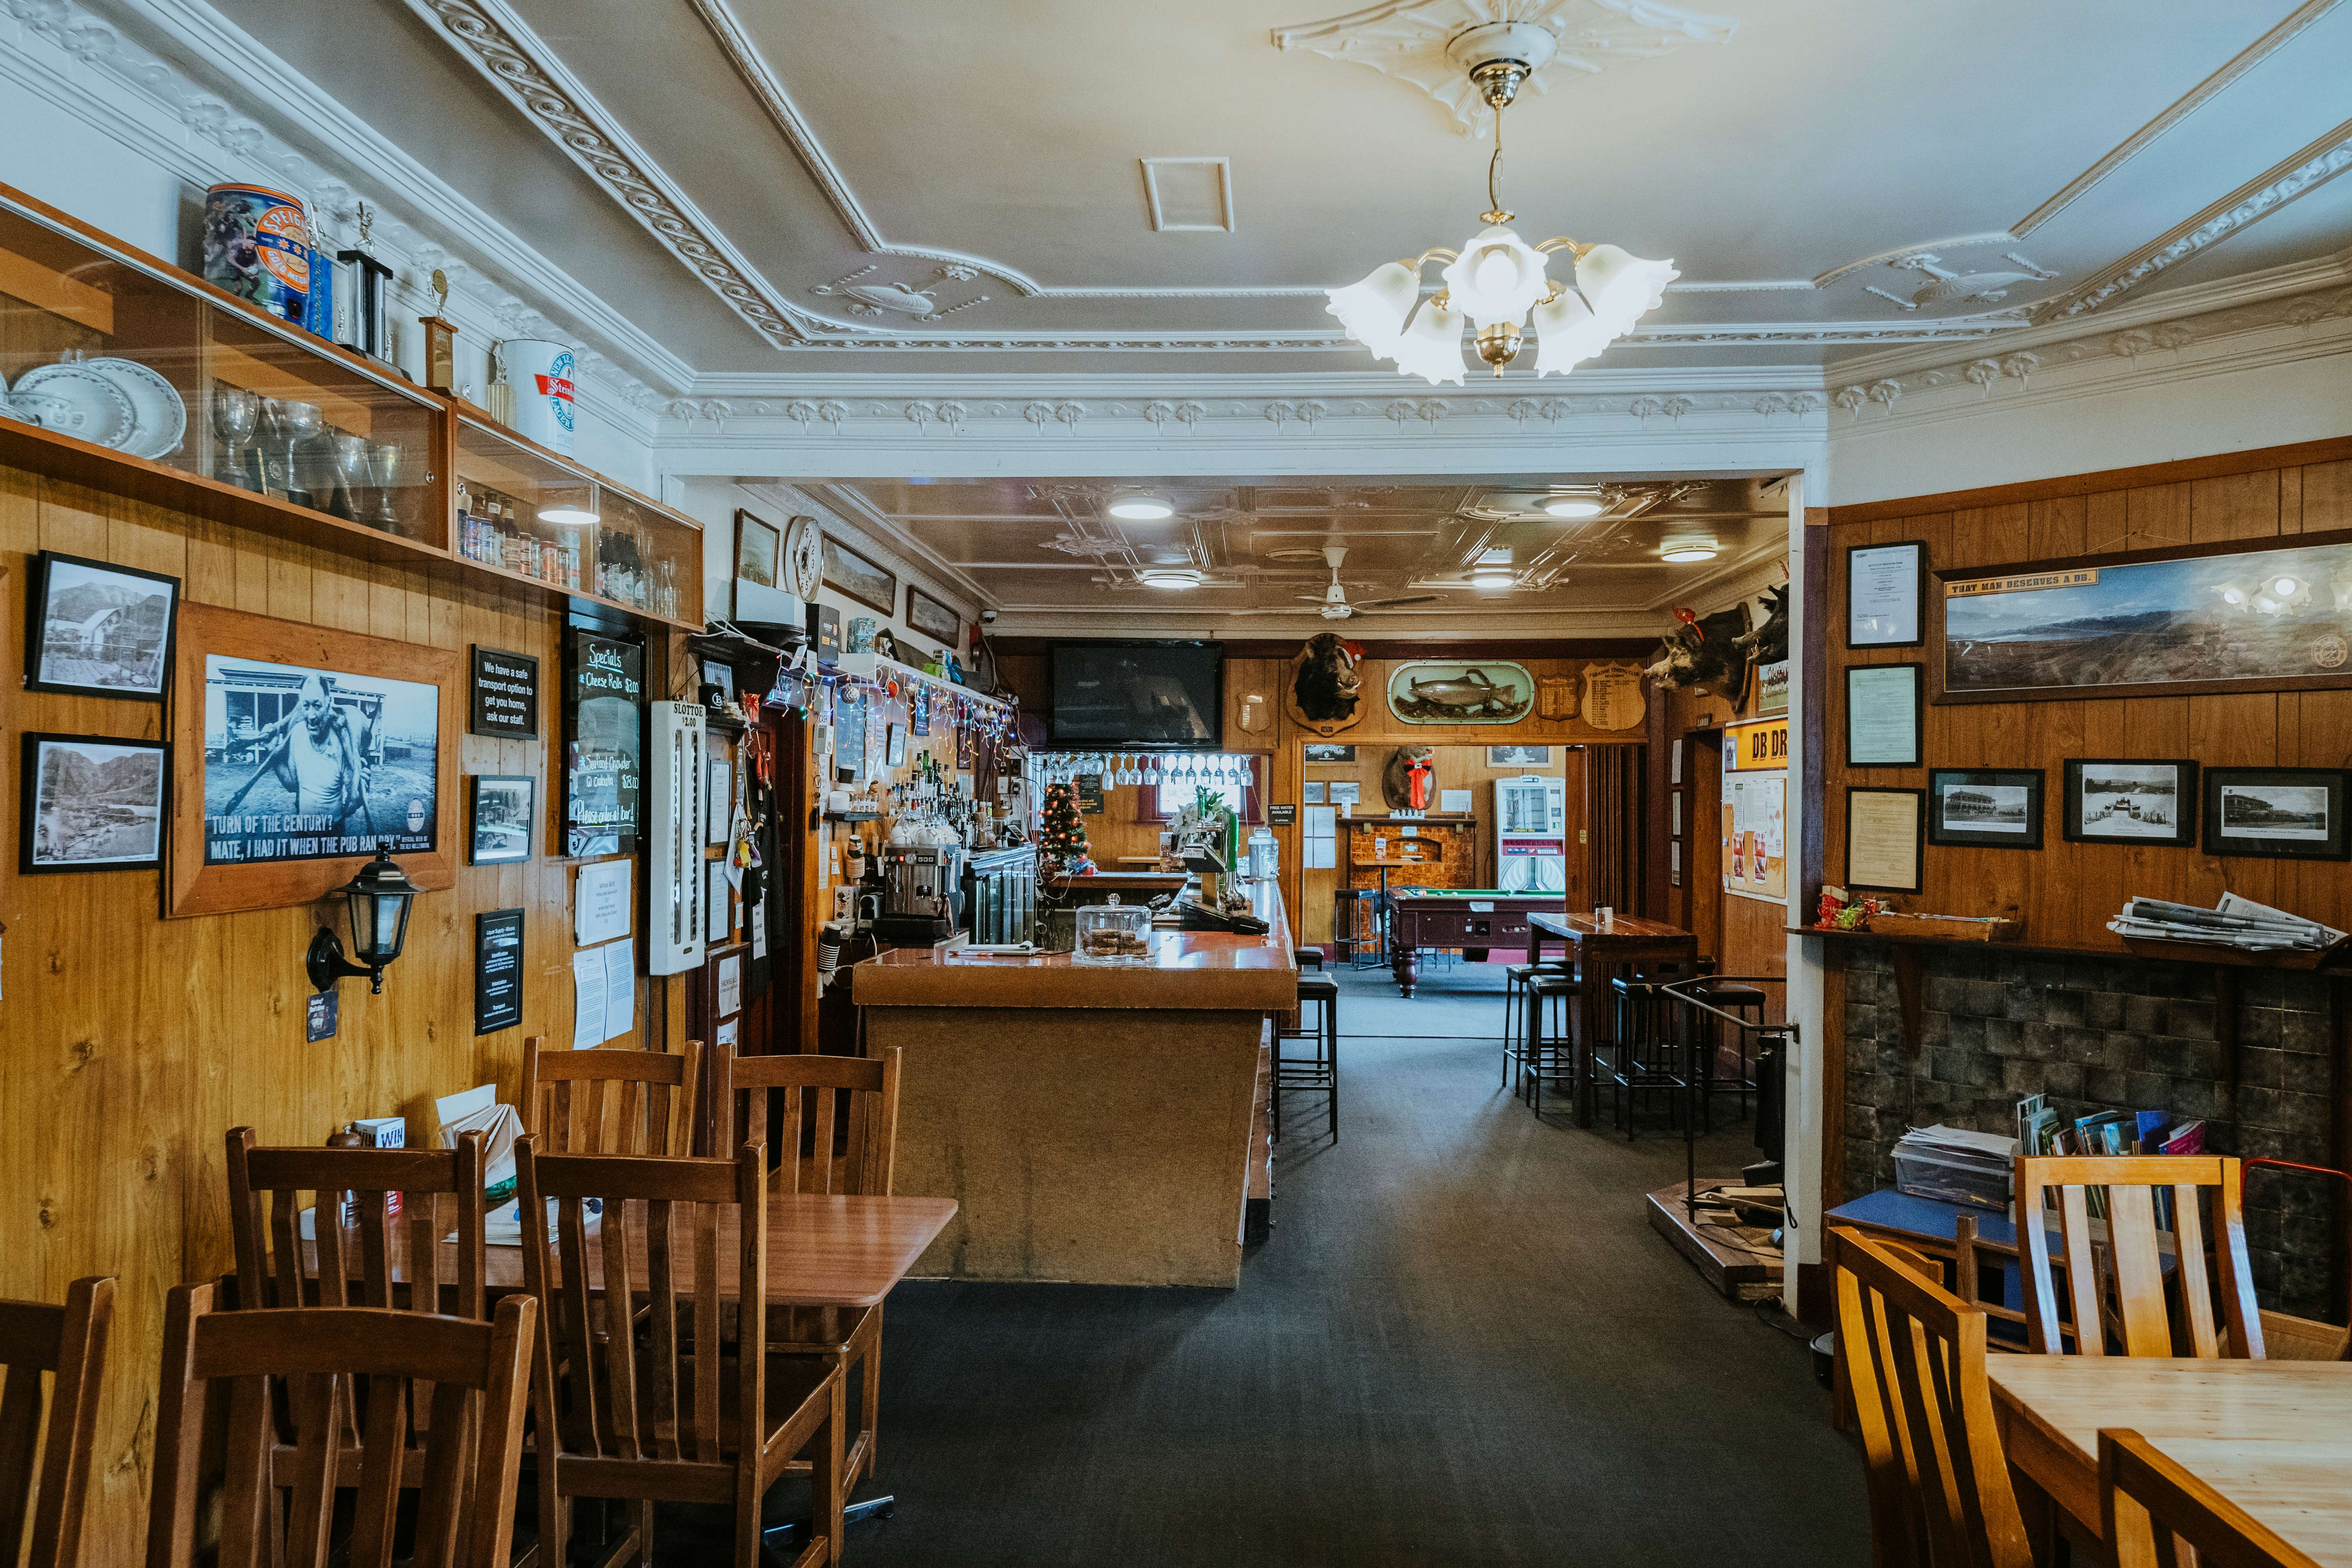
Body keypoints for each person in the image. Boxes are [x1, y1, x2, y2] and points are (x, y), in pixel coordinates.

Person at [220, 675, 370, 831]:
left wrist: (360, 790)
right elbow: (292, 785)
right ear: (301, 705)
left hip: (332, 831)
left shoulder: (341, 744)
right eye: (306, 706)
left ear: (328, 703)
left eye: (317, 706)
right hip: (302, 829)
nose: (311, 716)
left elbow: (353, 802)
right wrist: (271, 748)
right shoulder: (298, 734)